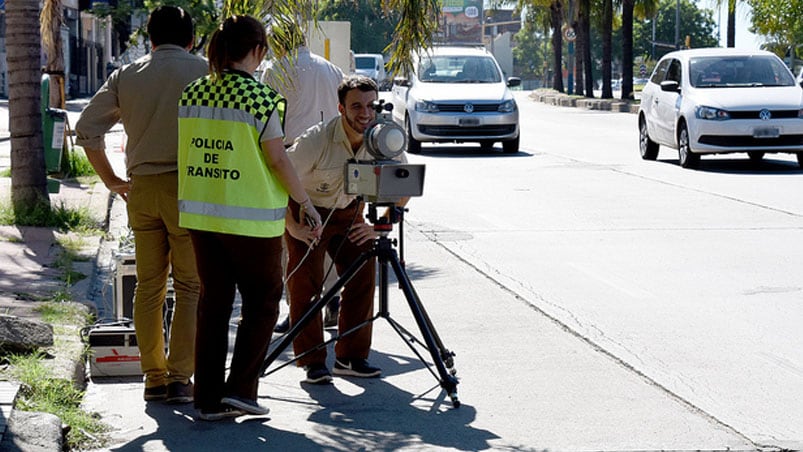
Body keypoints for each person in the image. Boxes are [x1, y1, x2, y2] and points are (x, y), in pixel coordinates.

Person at [177, 14, 322, 421]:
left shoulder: (191, 93)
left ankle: (206, 399)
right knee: (261, 304)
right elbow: (277, 158)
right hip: (251, 222)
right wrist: (305, 204)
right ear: (257, 51)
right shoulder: (258, 97)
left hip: (202, 217)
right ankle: (241, 389)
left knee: (214, 305)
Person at [75, 6, 206, 405]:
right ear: (190, 39)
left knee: (148, 286)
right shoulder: (204, 71)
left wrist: (112, 180)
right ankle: (181, 378)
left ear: (149, 39)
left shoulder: (126, 75)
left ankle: (152, 377)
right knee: (189, 286)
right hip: (191, 189)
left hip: (142, 189)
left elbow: (85, 130)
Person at [284, 75, 407, 384]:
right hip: (308, 212)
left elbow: (406, 181)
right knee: (305, 286)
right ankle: (312, 361)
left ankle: (351, 357)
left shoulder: (382, 137)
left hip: (350, 213)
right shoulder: (316, 140)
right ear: (340, 108)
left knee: (363, 276)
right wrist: (293, 227)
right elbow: (278, 181)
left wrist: (381, 227)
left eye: (371, 105)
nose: (365, 114)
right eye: (356, 106)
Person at [260, 23, 344, 331]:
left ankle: (296, 306)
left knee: (293, 235)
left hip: (293, 156)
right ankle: (333, 300)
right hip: (331, 155)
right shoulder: (332, 70)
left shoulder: (274, 72)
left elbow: (269, 122)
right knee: (328, 225)